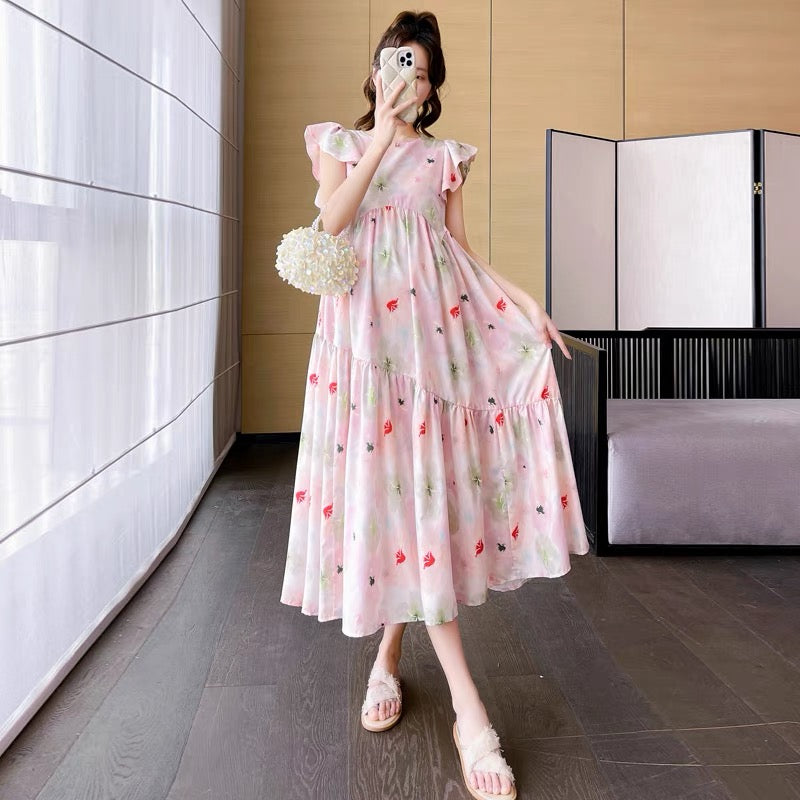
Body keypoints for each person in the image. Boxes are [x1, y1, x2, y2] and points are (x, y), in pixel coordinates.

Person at [280, 10, 590, 799]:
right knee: (398, 508)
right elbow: (333, 221)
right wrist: (381, 137)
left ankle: (395, 666)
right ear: (374, 73)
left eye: (418, 70)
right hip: (362, 360)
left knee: (413, 509)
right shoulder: (340, 144)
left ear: (432, 86)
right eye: (395, 63)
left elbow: (459, 252)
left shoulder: (445, 160)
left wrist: (525, 304)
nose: (406, 79)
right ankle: (464, 710)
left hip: (426, 356)